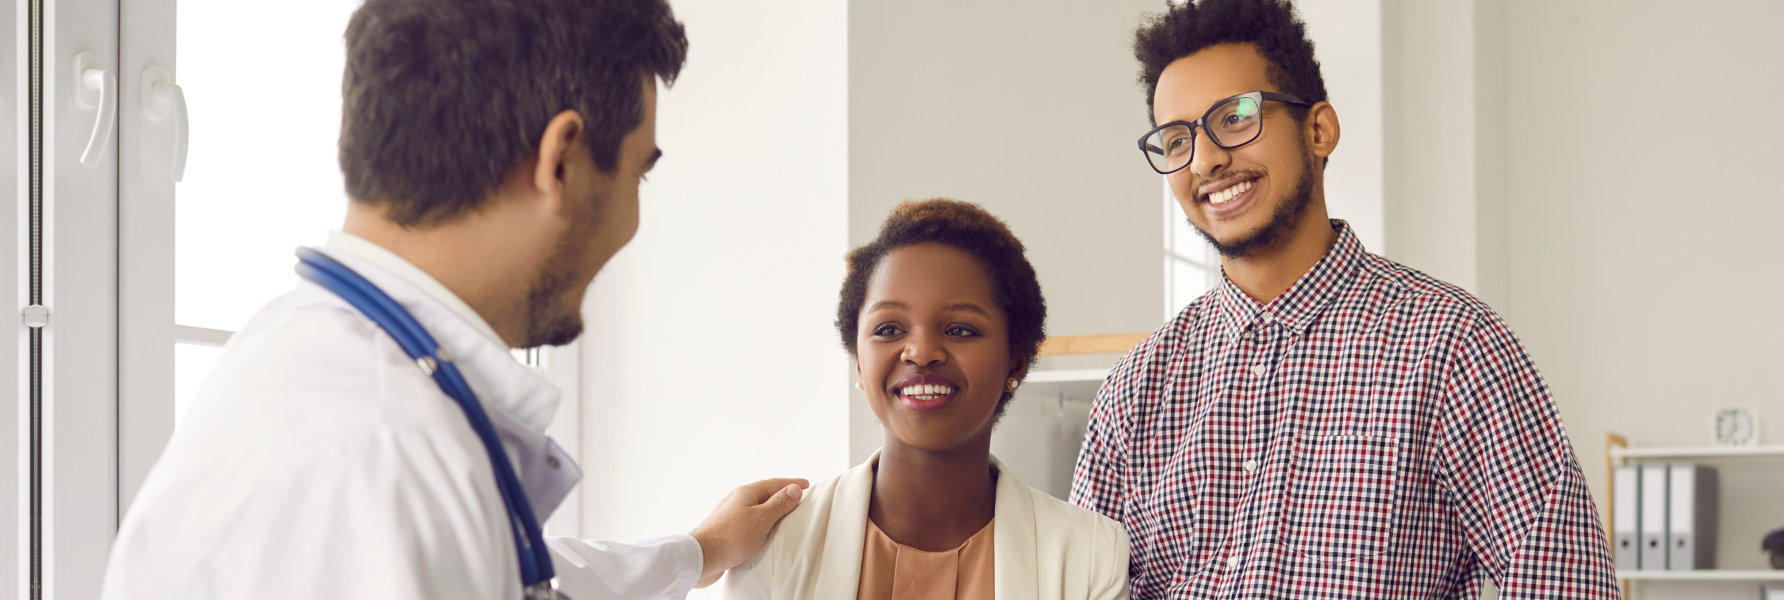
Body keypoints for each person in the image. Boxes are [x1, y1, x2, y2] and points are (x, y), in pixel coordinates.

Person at [100, 1, 806, 598]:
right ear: (560, 161)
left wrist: (698, 551)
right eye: (636, 176)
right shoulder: (378, 457)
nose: (632, 222)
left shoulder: (315, 367)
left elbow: (509, 570)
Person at [1068, 1, 1620, 598]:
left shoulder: (1452, 345)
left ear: (1319, 129)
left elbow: (1567, 583)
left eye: (1234, 117)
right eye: (1177, 141)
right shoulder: (1136, 389)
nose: (1205, 160)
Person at [723, 199, 1129, 599]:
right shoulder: (772, 543)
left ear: (1016, 364)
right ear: (859, 364)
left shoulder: (1092, 555)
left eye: (960, 330)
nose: (920, 352)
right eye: (888, 329)